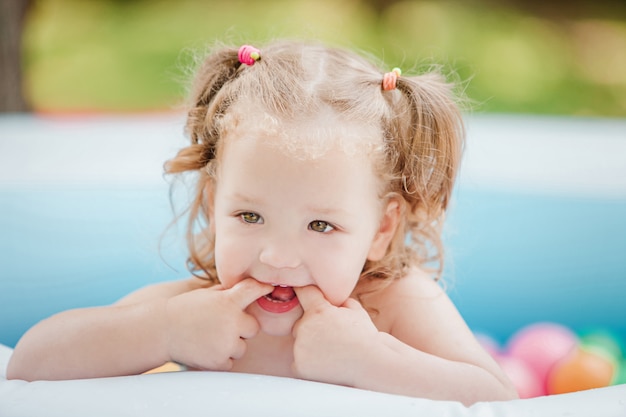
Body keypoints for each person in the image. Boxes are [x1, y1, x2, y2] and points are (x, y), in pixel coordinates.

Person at [7, 41, 517, 405]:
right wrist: (162, 333)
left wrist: (370, 361)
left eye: (321, 226)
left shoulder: (392, 304)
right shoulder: (194, 309)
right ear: (212, 206)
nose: (277, 256)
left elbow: (497, 398)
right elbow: (30, 364)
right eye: (250, 216)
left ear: (381, 230)